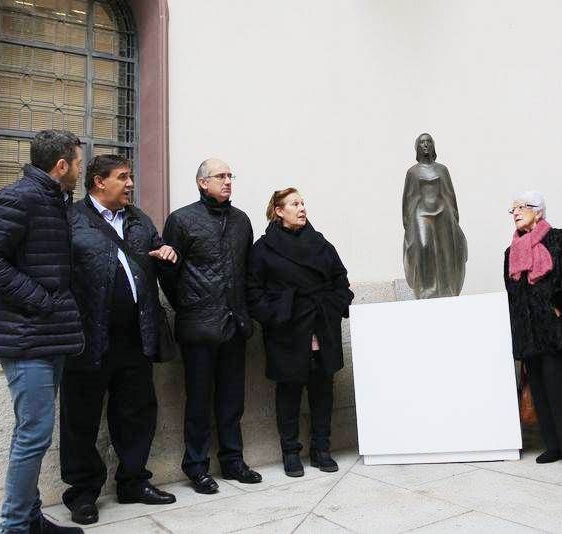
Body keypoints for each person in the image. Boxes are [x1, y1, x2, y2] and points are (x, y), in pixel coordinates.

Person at [0, 129, 85, 534]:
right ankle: (15, 527)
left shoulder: (56, 200)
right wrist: (40, 299)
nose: (81, 171)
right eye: (78, 164)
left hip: (49, 335)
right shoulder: (18, 198)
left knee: (33, 432)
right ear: (62, 164)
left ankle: (31, 519)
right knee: (33, 435)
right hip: (25, 337)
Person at [59, 155, 178, 525]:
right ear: (98, 182)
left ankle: (132, 481)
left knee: (137, 411)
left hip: (136, 334)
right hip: (87, 336)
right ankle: (82, 493)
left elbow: (154, 250)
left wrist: (164, 253)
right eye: (123, 177)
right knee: (81, 417)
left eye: (131, 177)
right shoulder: (71, 219)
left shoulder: (139, 219)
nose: (130, 184)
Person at [159, 158, 260, 494]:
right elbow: (168, 274)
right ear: (203, 182)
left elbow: (248, 272)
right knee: (198, 401)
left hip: (234, 325)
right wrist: (189, 305)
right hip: (198, 326)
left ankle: (233, 461)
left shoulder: (241, 221)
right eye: (221, 176)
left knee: (232, 400)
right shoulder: (181, 220)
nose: (228, 181)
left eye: (231, 175)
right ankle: (197, 467)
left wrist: (244, 312)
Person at [247, 188, 354, 477]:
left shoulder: (320, 243)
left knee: (323, 391)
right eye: (295, 203)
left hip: (321, 326)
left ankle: (321, 449)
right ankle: (291, 453)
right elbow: (253, 292)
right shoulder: (264, 249)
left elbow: (341, 281)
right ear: (279, 211)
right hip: (288, 331)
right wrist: (276, 315)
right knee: (289, 393)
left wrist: (332, 307)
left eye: (303, 203)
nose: (302, 208)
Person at [504, 191, 562, 472]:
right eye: (513, 209)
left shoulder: (561, 239)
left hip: (554, 330)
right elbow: (511, 293)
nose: (516, 212)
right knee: (539, 391)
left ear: (539, 212)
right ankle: (552, 446)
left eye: (522, 207)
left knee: (560, 390)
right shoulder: (510, 252)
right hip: (528, 332)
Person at [402, 132, 468, 299]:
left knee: (446, 250)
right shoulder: (413, 172)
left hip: (443, 213)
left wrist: (455, 218)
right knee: (424, 248)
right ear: (417, 147)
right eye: (422, 142)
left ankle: (448, 288)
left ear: (433, 145)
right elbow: (407, 199)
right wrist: (408, 224)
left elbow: (450, 194)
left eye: (428, 142)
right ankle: (427, 289)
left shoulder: (442, 169)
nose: (425, 145)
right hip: (421, 215)